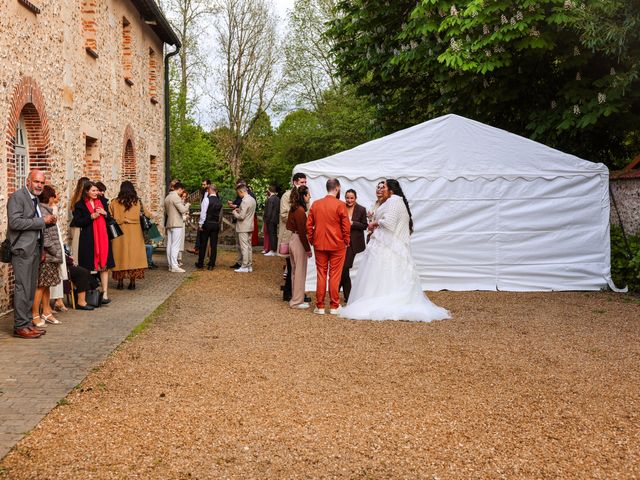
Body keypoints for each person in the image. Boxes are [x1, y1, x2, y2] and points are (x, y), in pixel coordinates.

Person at [340, 179, 450, 322]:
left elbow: (389, 224)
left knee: (383, 273)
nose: (381, 189)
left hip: (387, 245)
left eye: (384, 186)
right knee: (391, 274)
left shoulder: (393, 201)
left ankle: (383, 301)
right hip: (392, 245)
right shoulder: (396, 201)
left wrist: (374, 223)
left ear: (390, 189)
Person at [7, 169, 57, 338]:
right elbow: (15, 222)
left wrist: (48, 224)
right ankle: (20, 326)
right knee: (22, 288)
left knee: (30, 289)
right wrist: (42, 220)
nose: (39, 185)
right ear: (28, 181)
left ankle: (28, 323)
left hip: (35, 249)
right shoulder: (17, 197)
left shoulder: (34, 198)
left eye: (42, 183)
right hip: (22, 249)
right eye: (36, 182)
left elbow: (33, 225)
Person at [306, 178, 351, 315]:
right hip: (337, 245)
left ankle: (319, 306)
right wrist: (346, 240)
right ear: (337, 188)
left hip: (320, 244)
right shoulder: (340, 205)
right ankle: (334, 305)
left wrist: (312, 239)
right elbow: (346, 226)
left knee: (321, 274)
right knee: (334, 275)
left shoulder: (316, 204)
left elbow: (308, 225)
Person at [73, 181, 114, 304]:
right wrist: (91, 217)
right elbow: (77, 222)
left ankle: (105, 294)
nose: (97, 193)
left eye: (97, 190)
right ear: (87, 191)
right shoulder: (80, 205)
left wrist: (105, 214)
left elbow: (111, 219)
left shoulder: (103, 202)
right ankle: (86, 294)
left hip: (103, 238)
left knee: (104, 267)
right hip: (88, 238)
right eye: (93, 191)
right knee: (86, 267)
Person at [109, 181, 150, 290]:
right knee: (134, 257)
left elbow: (109, 217)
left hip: (119, 232)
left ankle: (120, 283)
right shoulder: (138, 202)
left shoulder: (114, 202)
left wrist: (121, 218)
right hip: (135, 232)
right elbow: (148, 214)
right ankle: (132, 283)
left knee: (120, 256)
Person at [32, 185, 63, 326]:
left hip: (52, 255)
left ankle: (46, 311)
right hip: (48, 255)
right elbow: (45, 236)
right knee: (41, 286)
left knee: (47, 285)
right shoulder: (42, 212)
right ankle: (35, 314)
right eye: (53, 195)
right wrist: (54, 250)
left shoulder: (46, 209)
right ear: (49, 197)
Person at [278, 173, 307, 301]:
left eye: (305, 182)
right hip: (290, 234)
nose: (304, 184)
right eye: (302, 182)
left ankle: (294, 293)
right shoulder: (286, 195)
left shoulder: (305, 195)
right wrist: (297, 218)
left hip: (301, 233)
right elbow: (284, 214)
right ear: (295, 182)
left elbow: (308, 212)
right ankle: (291, 293)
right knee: (291, 266)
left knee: (295, 267)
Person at [339, 189, 368, 302]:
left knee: (345, 267)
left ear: (355, 198)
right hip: (341, 241)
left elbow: (365, 225)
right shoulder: (341, 207)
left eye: (351, 198)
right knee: (343, 268)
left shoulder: (361, 209)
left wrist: (352, 223)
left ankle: (336, 290)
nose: (349, 200)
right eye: (347, 197)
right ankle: (348, 296)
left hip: (354, 243)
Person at [286, 186, 312, 309]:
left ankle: (296, 298)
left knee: (295, 272)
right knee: (300, 271)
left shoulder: (294, 208)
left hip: (293, 239)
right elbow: (302, 232)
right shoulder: (300, 211)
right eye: (308, 195)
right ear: (303, 196)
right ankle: (297, 301)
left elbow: (289, 225)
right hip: (298, 241)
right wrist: (308, 248)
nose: (309, 197)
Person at [164, 181, 190, 273]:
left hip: (169, 223)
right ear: (179, 189)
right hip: (176, 224)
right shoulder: (175, 197)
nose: (181, 193)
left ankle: (170, 265)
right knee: (175, 245)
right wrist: (187, 204)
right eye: (181, 191)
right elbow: (183, 210)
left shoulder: (167, 197)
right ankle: (174, 266)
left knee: (169, 245)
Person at [196, 183, 222, 270]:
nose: (207, 191)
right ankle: (211, 264)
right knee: (213, 245)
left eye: (208, 190)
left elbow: (203, 213)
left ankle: (200, 263)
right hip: (215, 224)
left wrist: (200, 224)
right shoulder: (219, 201)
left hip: (207, 223)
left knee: (203, 244)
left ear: (210, 190)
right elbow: (220, 214)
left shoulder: (206, 200)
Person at [231, 184, 257, 273]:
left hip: (243, 226)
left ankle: (245, 265)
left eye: (238, 193)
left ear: (241, 191)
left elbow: (241, 217)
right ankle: (249, 265)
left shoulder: (245, 201)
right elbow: (247, 212)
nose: (238, 195)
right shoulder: (252, 199)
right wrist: (240, 209)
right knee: (249, 246)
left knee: (244, 247)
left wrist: (235, 212)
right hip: (250, 225)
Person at [69, 177, 91, 260]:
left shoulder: (75, 198)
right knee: (77, 249)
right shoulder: (80, 201)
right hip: (78, 226)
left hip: (75, 226)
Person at [190, 178, 211, 255]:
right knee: (199, 232)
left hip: (208, 218)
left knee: (201, 232)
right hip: (203, 215)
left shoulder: (209, 194)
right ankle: (197, 248)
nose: (203, 186)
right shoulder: (204, 193)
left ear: (208, 185)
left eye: (204, 184)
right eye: (202, 184)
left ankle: (199, 250)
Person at [263, 185, 280, 256]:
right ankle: (275, 249)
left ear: (269, 191)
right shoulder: (278, 198)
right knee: (274, 234)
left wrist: (266, 219)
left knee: (271, 235)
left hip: (270, 220)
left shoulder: (270, 199)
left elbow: (269, 211)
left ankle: (273, 250)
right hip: (275, 219)